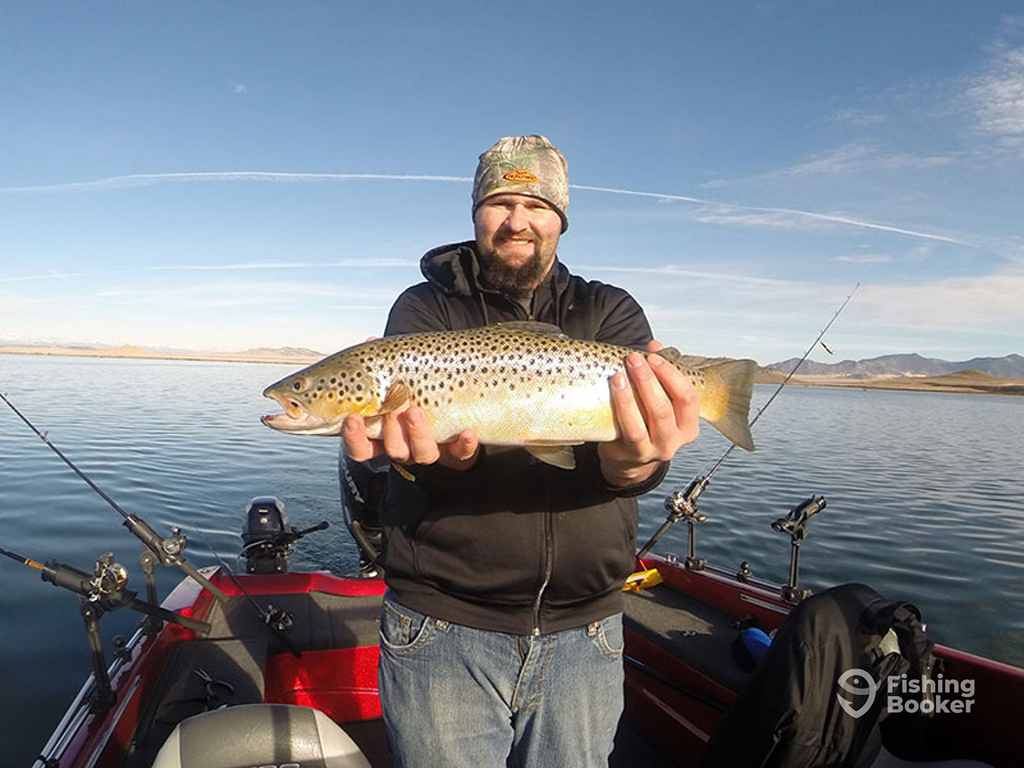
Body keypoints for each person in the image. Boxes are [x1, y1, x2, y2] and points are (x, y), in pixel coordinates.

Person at [343, 135, 699, 768]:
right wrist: (447, 462)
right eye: (498, 202)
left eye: (535, 205)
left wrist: (638, 461)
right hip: (440, 629)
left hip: (587, 632)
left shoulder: (610, 310)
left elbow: (627, 465)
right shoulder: (424, 309)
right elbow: (425, 461)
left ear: (560, 218)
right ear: (476, 212)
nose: (516, 220)